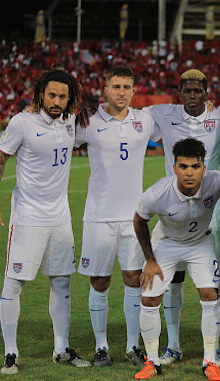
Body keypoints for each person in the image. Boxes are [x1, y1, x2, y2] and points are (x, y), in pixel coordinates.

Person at [0, 67, 90, 374]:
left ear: (70, 99)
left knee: (61, 281)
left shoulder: (70, 122)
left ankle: (61, 348)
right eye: (52, 95)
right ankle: (10, 353)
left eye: (63, 96)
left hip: (60, 218)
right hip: (28, 217)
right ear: (41, 94)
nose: (57, 101)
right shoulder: (22, 122)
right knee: (14, 282)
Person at [143, 69, 220, 367]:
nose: (193, 95)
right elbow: (125, 113)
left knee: (214, 286)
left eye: (198, 91)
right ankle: (173, 345)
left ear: (207, 93)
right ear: (179, 92)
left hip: (210, 211)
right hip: (172, 210)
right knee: (172, 281)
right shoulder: (162, 113)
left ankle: (213, 349)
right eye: (187, 91)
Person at [75, 67, 160, 367]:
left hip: (133, 218)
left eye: (126, 87)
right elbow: (60, 137)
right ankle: (101, 347)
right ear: (106, 89)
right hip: (98, 216)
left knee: (133, 280)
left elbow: (177, 121)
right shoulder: (87, 121)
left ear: (133, 90)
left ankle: (132, 346)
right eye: (116, 86)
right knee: (99, 281)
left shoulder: (145, 119)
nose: (121, 92)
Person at [132, 138, 220, 381]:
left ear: (204, 168)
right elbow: (139, 221)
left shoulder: (217, 181)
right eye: (183, 166)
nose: (189, 172)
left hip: (201, 243)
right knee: (150, 297)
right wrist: (150, 260)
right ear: (174, 167)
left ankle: (210, 361)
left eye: (195, 166)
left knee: (210, 294)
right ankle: (152, 362)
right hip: (167, 243)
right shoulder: (157, 194)